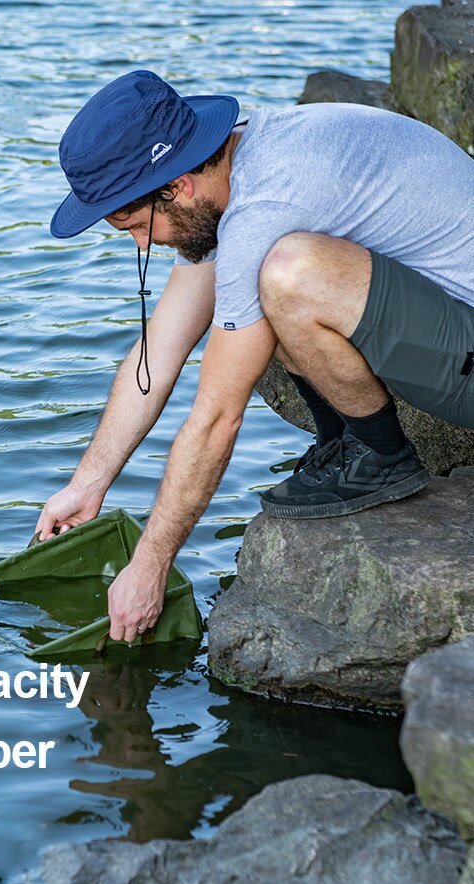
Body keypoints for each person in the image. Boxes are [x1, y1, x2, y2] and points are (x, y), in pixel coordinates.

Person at [35, 70, 474, 643]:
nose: (142, 244)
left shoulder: (263, 208)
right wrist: (87, 484)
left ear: (178, 185)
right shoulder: (239, 167)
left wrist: (150, 565)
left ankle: (380, 457)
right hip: (453, 326)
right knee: (249, 297)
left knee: (289, 275)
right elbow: (158, 352)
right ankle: (343, 443)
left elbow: (217, 417)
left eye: (136, 226)